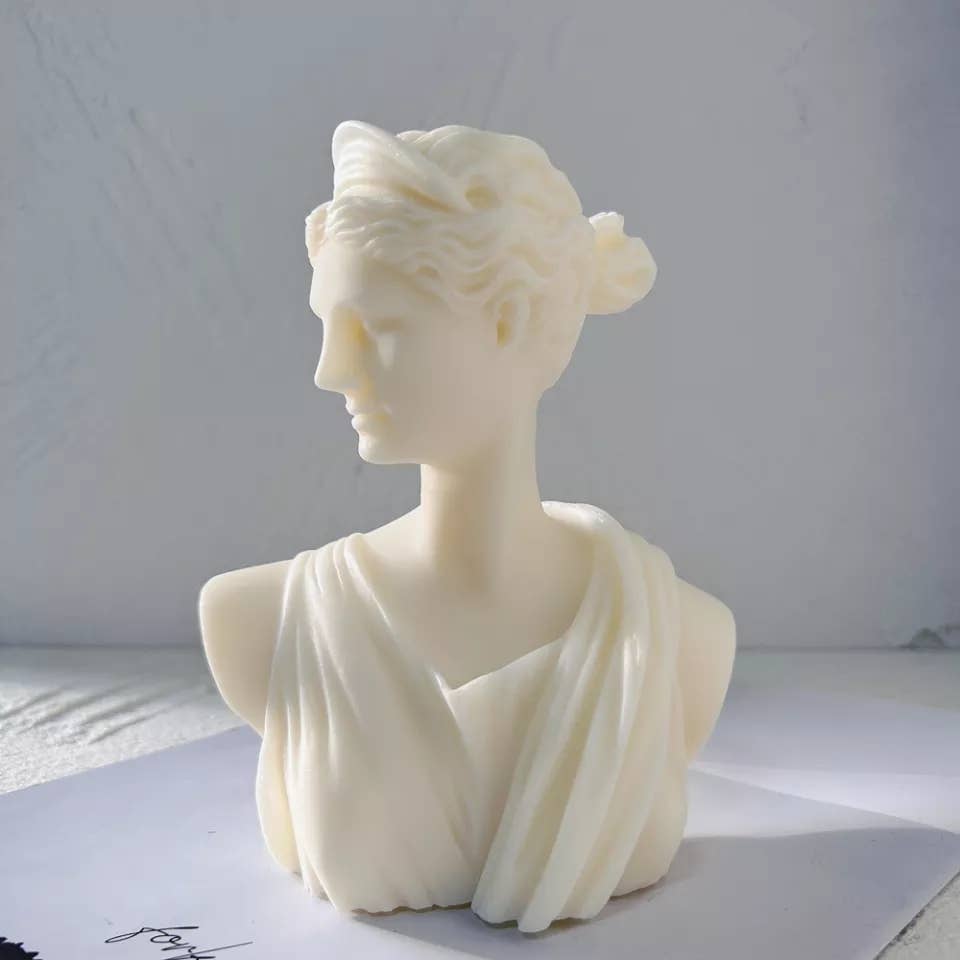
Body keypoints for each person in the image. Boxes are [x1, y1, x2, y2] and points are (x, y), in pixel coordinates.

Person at [199, 120, 735, 933]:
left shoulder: (681, 635)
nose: (329, 370)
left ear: (509, 319)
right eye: (327, 326)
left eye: (378, 327)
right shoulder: (257, 620)